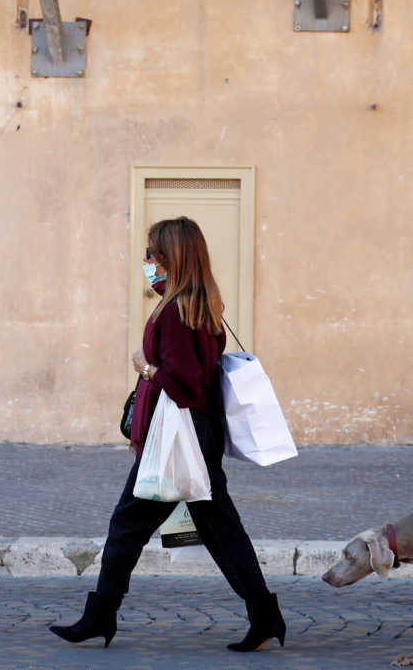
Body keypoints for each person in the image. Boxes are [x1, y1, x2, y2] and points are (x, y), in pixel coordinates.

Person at [49, 216, 286, 652]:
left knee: (128, 524)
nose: (146, 261)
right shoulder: (198, 302)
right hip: (198, 431)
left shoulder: (177, 311)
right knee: (220, 530)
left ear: (171, 257)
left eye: (151, 253)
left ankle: (101, 615)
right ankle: (265, 615)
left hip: (180, 435)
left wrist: (146, 367)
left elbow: (186, 381)